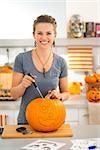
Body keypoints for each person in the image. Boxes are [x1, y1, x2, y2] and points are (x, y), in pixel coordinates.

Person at [11, 14, 69, 124]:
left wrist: (59, 96)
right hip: (26, 123)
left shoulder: (61, 62)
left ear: (54, 35)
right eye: (39, 33)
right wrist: (23, 85)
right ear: (34, 35)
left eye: (48, 33)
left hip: (53, 121)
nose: (44, 37)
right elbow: (13, 94)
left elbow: (66, 92)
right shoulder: (21, 59)